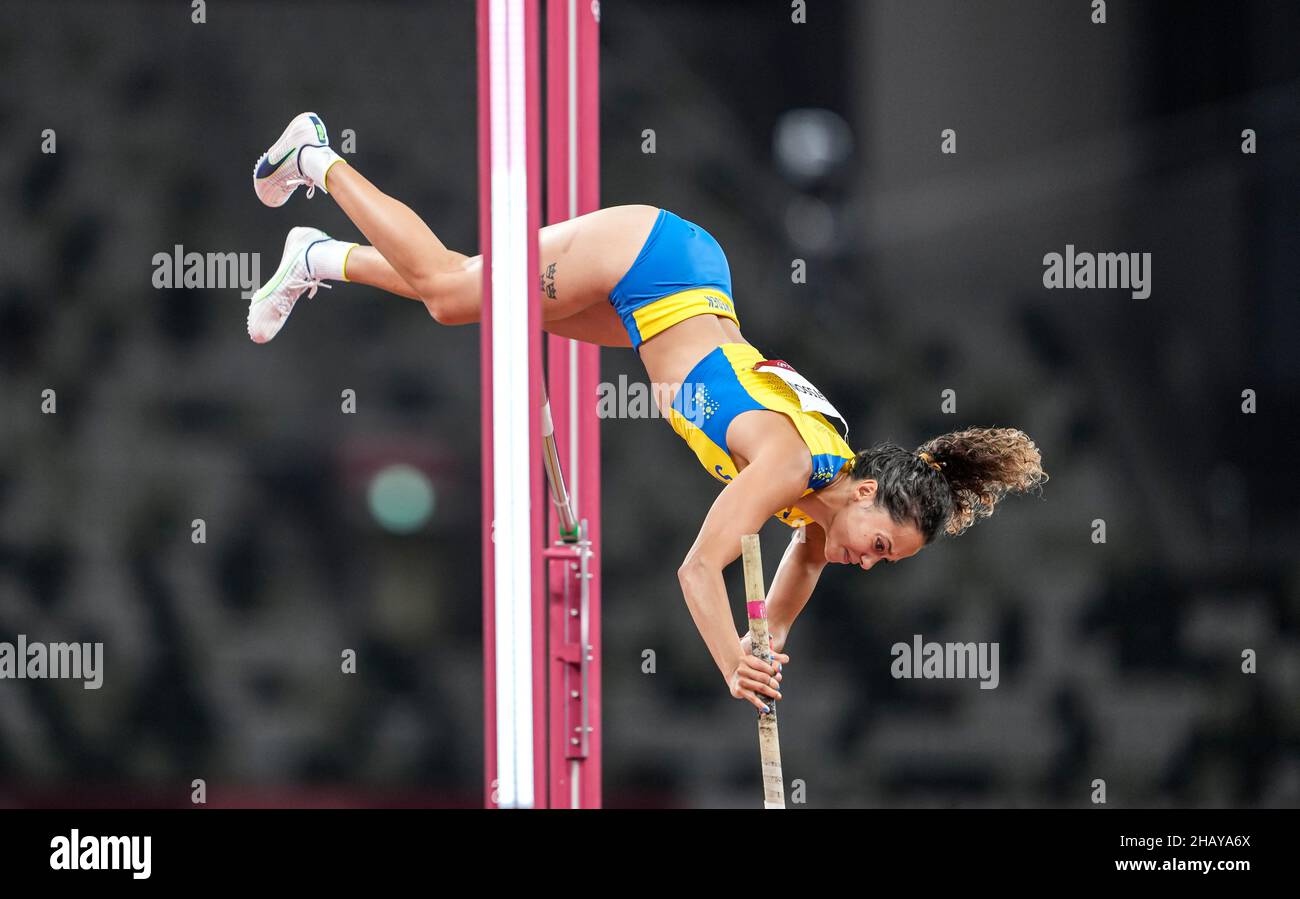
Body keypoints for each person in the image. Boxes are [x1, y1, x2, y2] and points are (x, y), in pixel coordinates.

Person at [248, 112, 1047, 713]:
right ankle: (316, 155)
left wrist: (772, 642)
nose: (865, 562)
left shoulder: (824, 493)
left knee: (470, 299)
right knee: (455, 292)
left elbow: (803, 560)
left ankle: (318, 257)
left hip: (667, 304)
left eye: (882, 561)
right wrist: (737, 657)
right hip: (653, 265)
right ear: (870, 496)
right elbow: (697, 569)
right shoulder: (792, 464)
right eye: (877, 546)